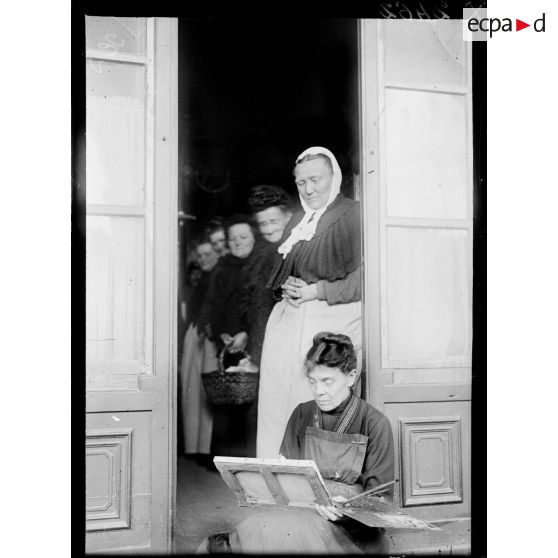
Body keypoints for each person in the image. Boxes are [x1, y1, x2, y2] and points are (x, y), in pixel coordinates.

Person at [202, 333, 394, 554]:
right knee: (253, 528)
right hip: (303, 516)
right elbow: (286, 482)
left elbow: (381, 504)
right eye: (312, 381)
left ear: (351, 377)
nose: (319, 391)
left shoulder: (374, 423)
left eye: (327, 381)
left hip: (351, 532)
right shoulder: (302, 413)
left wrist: (346, 510)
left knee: (290, 531)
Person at [257, 146, 362, 458]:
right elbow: (283, 274)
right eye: (301, 182)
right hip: (289, 324)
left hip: (332, 321)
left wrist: (316, 291)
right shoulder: (298, 221)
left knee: (319, 398)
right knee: (278, 401)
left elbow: (368, 281)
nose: (308, 188)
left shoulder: (353, 214)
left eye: (316, 179)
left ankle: (319, 481)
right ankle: (279, 473)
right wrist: (286, 287)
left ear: (335, 177)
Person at [203, 215, 276, 458]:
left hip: (254, 343)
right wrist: (220, 334)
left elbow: (264, 307)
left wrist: (246, 334)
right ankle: (226, 463)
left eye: (243, 237)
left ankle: (250, 461)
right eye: (232, 238)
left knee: (252, 405)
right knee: (227, 403)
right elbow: (213, 305)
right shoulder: (221, 267)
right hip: (227, 343)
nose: (237, 242)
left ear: (254, 238)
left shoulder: (262, 264)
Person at [179, 237, 220, 460]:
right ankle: (195, 447)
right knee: (192, 392)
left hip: (208, 339)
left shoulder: (217, 276)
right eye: (200, 255)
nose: (203, 259)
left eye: (208, 254)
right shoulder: (205, 277)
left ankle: (204, 448)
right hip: (195, 336)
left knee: (203, 393)